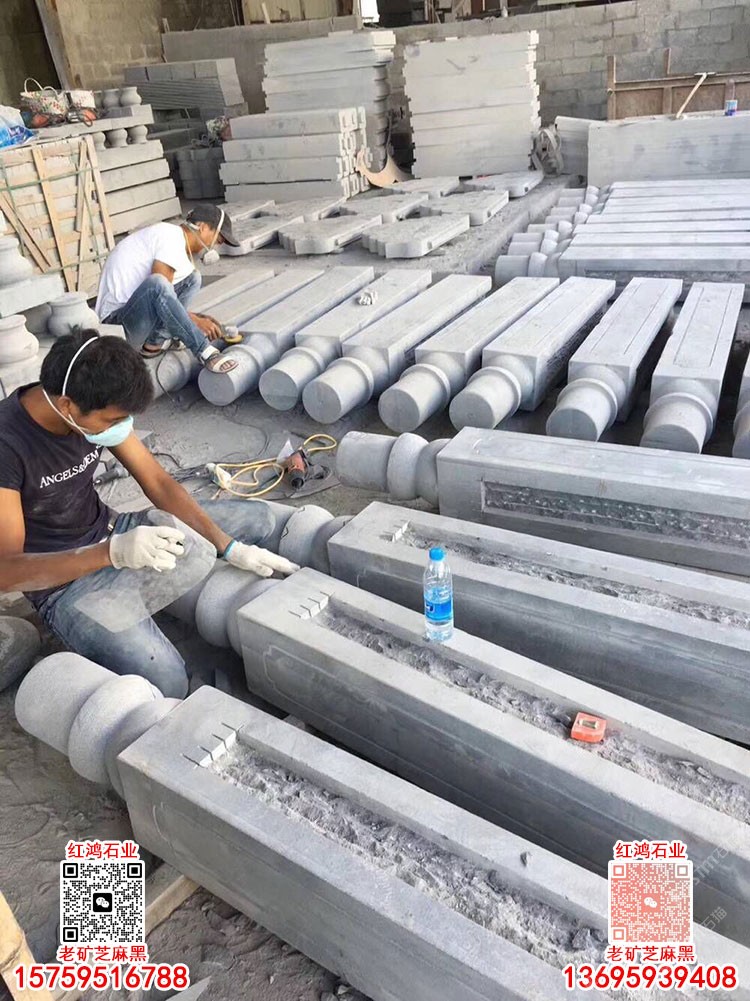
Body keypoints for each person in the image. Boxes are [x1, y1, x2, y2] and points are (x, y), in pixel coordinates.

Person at [0, 331, 298, 698]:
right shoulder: (7, 447)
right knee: (168, 680)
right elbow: (6, 572)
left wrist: (230, 547)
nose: (120, 428)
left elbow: (158, 482)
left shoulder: (89, 405)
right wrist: (110, 554)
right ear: (67, 407)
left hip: (117, 531)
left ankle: (146, 587)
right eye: (113, 420)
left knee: (259, 520)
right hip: (63, 584)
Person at [95, 204, 240, 375]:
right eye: (217, 240)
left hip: (133, 316)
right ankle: (204, 351)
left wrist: (197, 318)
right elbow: (159, 290)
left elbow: (166, 298)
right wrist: (195, 321)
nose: (214, 246)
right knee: (158, 284)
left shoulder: (175, 242)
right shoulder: (169, 236)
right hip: (115, 327)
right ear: (203, 227)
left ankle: (153, 344)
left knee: (193, 278)